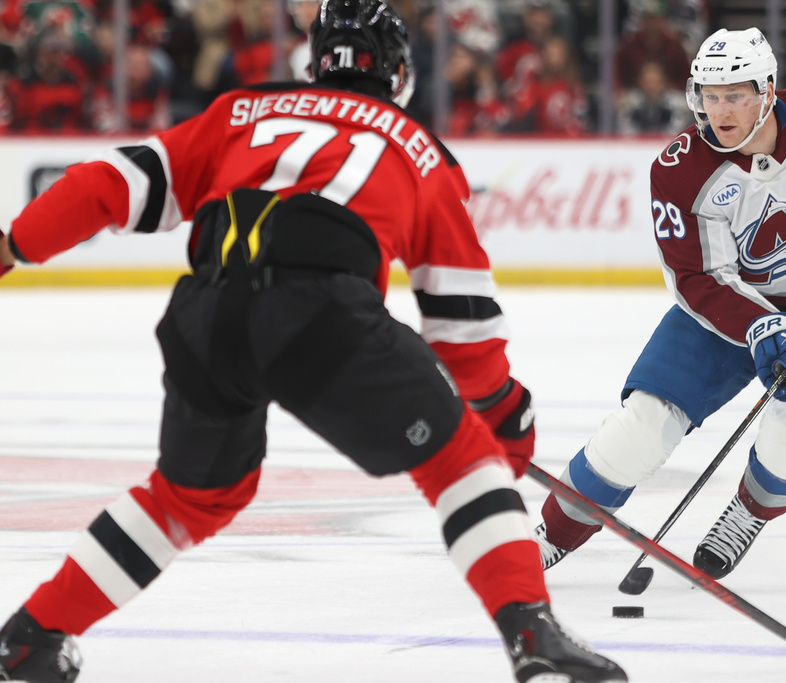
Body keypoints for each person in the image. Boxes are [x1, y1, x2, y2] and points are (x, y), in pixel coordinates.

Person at [0, 2, 627, 682]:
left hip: (203, 313)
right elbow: (463, 324)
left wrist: (11, 247)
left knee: (190, 494)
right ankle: (533, 635)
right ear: (398, 72)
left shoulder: (242, 111)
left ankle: (30, 637)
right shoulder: (419, 149)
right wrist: (501, 410)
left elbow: (107, 184)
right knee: (461, 460)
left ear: (314, 60)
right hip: (318, 315)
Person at [533, 27, 786, 579]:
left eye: (735, 94)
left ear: (768, 91)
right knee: (637, 430)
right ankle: (548, 537)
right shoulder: (680, 171)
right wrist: (761, 324)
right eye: (709, 95)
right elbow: (696, 277)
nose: (719, 110)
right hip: (727, 314)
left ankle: (746, 515)